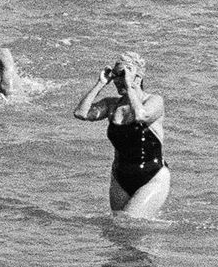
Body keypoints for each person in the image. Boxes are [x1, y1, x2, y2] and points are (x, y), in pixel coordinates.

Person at [73, 50, 170, 218]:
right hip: (120, 177)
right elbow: (81, 113)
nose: (118, 80)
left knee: (128, 221)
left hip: (153, 176)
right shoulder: (111, 105)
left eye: (122, 75)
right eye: (116, 75)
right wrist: (100, 83)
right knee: (118, 228)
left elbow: (141, 115)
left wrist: (130, 85)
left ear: (138, 77)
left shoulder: (154, 101)